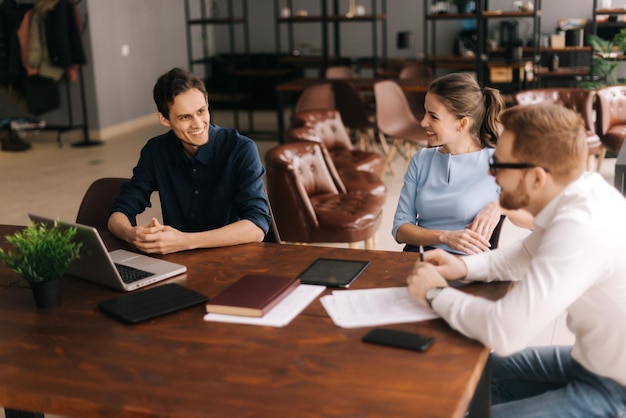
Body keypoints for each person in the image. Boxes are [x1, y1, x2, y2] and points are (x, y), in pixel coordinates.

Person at [407, 103, 626, 417]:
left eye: (499, 165)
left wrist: (434, 294)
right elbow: (525, 253)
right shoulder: (580, 190)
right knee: (473, 372)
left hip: (616, 391)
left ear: (537, 178)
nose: (490, 172)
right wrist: (464, 266)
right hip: (592, 363)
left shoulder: (580, 229)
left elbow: (505, 332)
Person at [108, 67, 270, 254]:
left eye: (201, 111)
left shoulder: (240, 148)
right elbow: (120, 210)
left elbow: (257, 226)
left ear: (207, 102)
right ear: (164, 119)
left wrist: (185, 241)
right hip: (179, 260)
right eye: (185, 117)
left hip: (233, 257)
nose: (198, 124)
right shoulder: (155, 151)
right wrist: (132, 234)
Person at [392, 72, 530, 255]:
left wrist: (501, 206)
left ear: (462, 124)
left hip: (469, 266)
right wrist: (444, 237)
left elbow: (535, 221)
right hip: (418, 258)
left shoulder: (497, 162)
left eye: (433, 116)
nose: (423, 122)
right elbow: (400, 228)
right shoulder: (421, 160)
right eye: (425, 112)